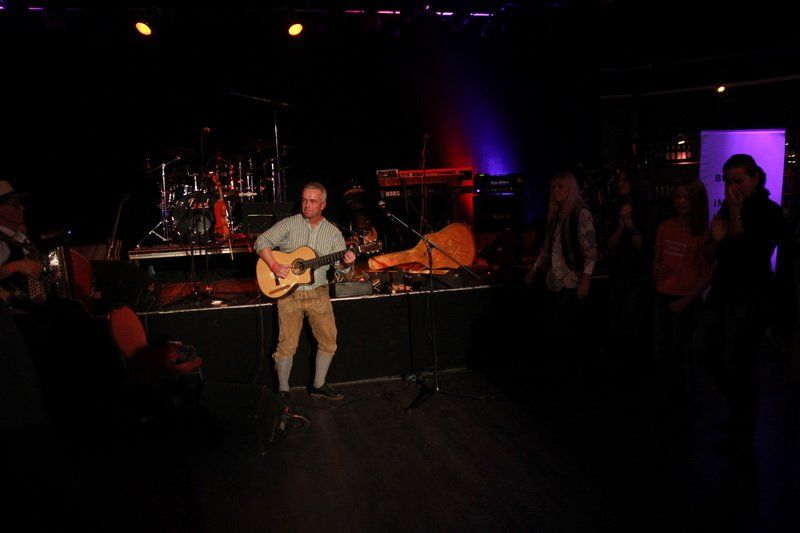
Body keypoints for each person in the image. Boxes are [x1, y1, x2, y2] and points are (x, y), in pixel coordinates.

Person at [697, 154, 783, 457]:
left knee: (741, 363)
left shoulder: (769, 211)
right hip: (723, 293)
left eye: (738, 181)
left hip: (751, 297)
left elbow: (753, 255)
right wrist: (717, 239)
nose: (732, 188)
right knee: (706, 352)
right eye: (728, 181)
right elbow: (709, 253)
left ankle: (743, 430)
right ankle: (739, 412)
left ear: (755, 179)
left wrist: (734, 216)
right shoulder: (727, 209)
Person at [255, 182, 355, 401]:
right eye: (304, 200)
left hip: (319, 294)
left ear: (323, 205)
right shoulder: (289, 224)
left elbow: (342, 272)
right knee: (286, 345)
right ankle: (283, 390)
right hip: (289, 294)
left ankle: (318, 385)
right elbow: (261, 241)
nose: (307, 205)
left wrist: (347, 264)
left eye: (312, 201)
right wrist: (274, 265)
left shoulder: (333, 233)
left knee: (328, 342)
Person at [525, 171, 597, 379]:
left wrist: (585, 279)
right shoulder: (555, 216)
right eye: (553, 187)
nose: (556, 190)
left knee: (564, 324)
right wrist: (535, 268)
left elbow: (591, 251)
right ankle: (557, 367)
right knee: (551, 324)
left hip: (571, 277)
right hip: (555, 277)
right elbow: (548, 246)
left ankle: (570, 368)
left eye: (561, 186)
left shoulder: (580, 214)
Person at [652, 178, 713, 412]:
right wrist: (656, 269)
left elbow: (707, 275)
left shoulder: (703, 234)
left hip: (686, 299)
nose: (681, 202)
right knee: (662, 352)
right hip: (663, 294)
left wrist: (686, 301)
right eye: (678, 196)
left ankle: (683, 404)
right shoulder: (665, 227)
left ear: (696, 200)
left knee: (680, 353)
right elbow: (656, 261)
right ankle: (668, 400)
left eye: (686, 197)